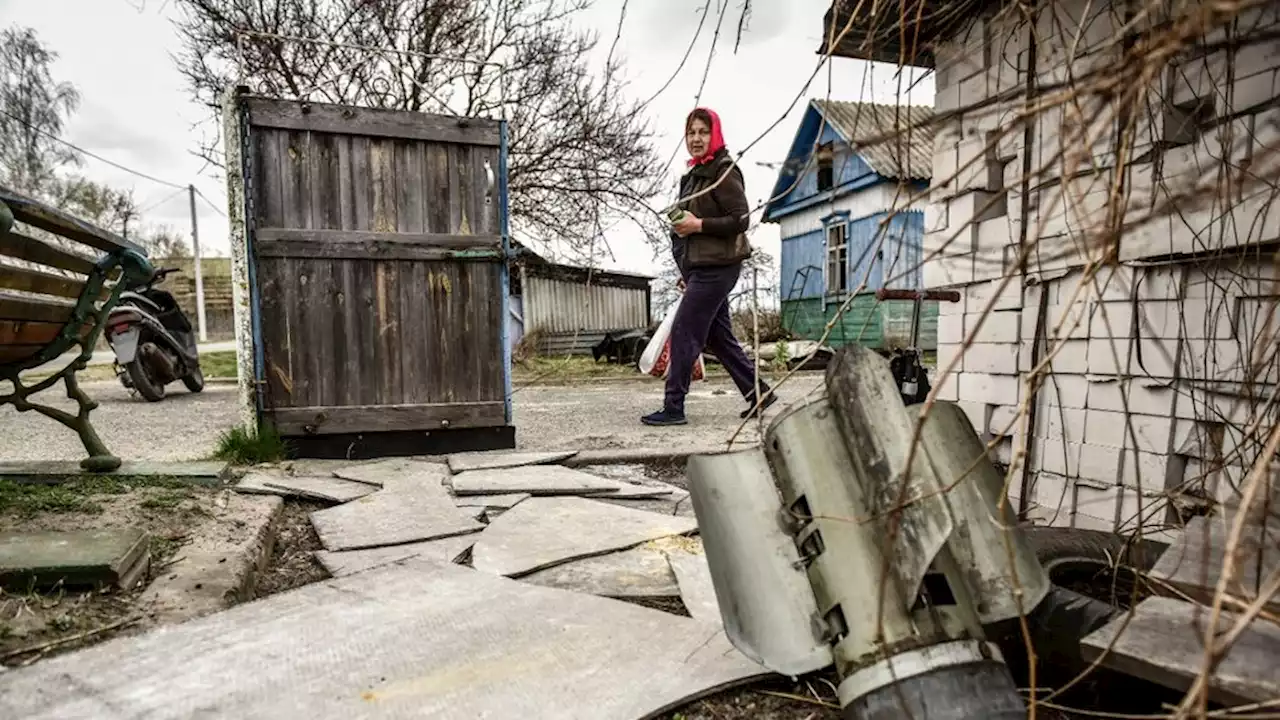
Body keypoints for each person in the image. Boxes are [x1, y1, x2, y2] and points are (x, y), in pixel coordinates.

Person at [642, 108, 777, 426]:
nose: (696, 138)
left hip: (719, 267)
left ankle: (673, 407)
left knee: (685, 330)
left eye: (703, 132)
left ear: (714, 134)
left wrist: (698, 224)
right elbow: (684, 229)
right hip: (700, 268)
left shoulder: (724, 171)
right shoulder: (692, 178)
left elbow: (741, 218)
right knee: (718, 337)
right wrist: (686, 271)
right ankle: (758, 392)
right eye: (691, 133)